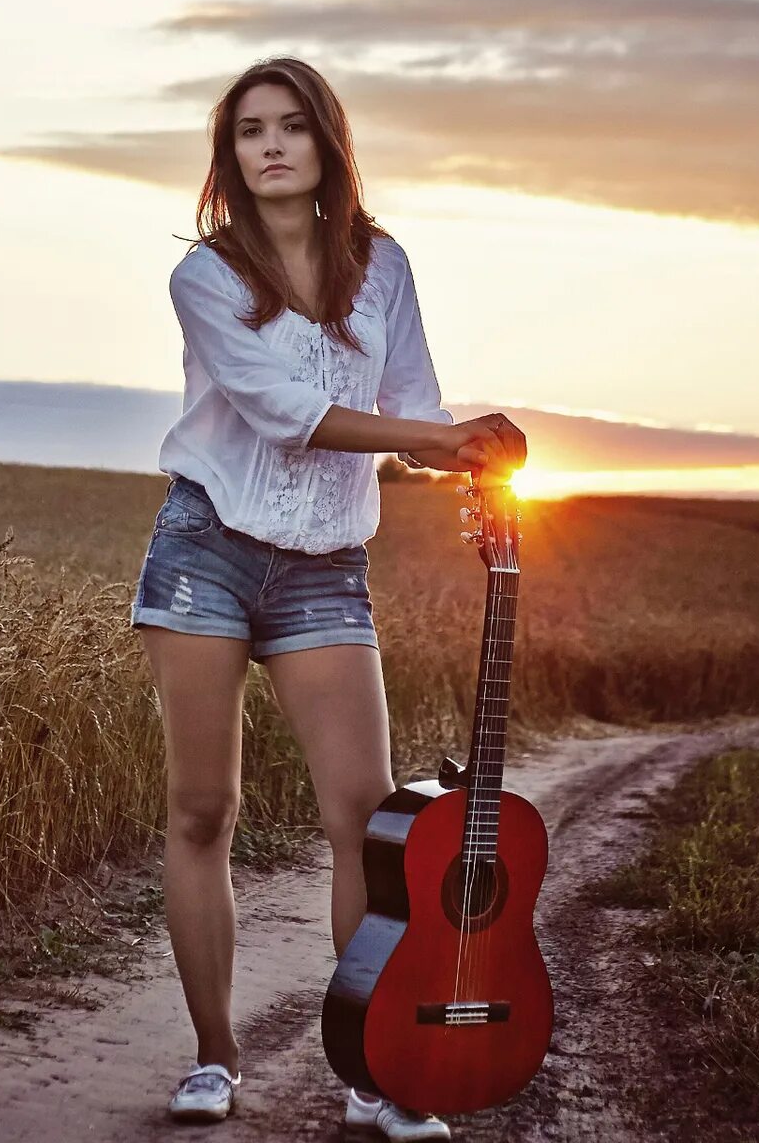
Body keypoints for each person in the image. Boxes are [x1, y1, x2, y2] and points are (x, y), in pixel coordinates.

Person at [128, 56, 527, 1139]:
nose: (269, 146)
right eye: (249, 129)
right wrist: (436, 438)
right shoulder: (205, 278)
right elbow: (281, 410)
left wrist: (471, 457)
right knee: (203, 809)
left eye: (291, 127)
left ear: (326, 146)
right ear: (230, 155)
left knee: (370, 822)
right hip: (205, 549)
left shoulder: (381, 266)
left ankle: (374, 1073)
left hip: (323, 568)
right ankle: (215, 1059)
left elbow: (413, 407)